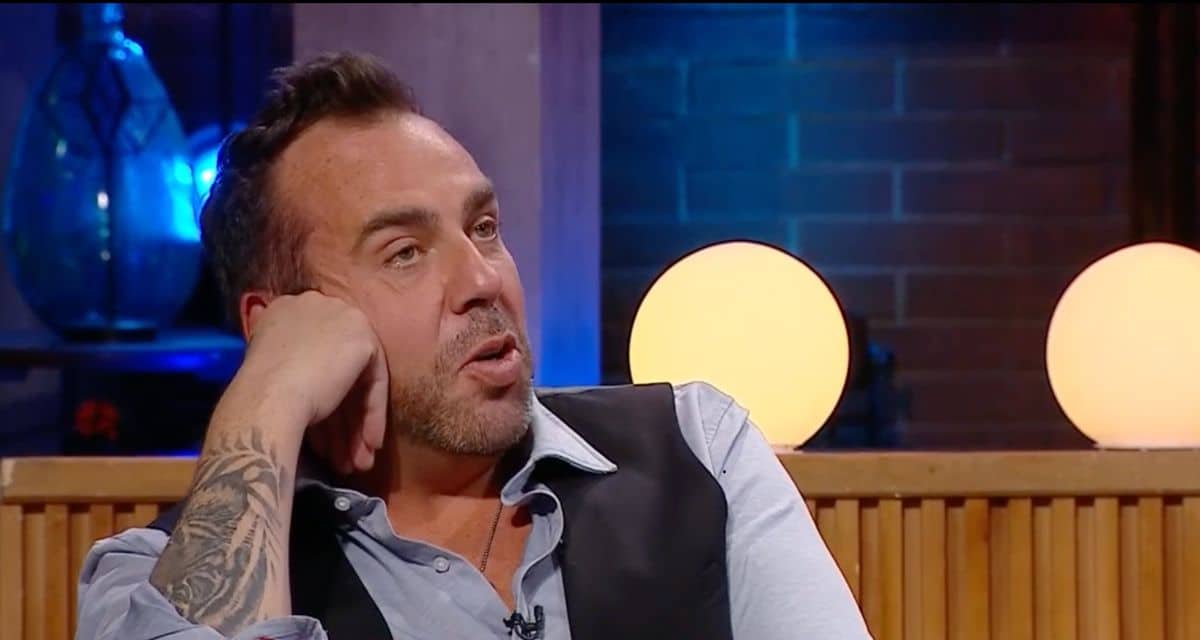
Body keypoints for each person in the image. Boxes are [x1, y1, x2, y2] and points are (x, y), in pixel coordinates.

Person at [74, 51, 872, 640]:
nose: (483, 279)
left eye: (484, 227)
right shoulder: (144, 577)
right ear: (281, 321)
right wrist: (266, 397)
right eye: (404, 253)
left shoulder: (699, 448)